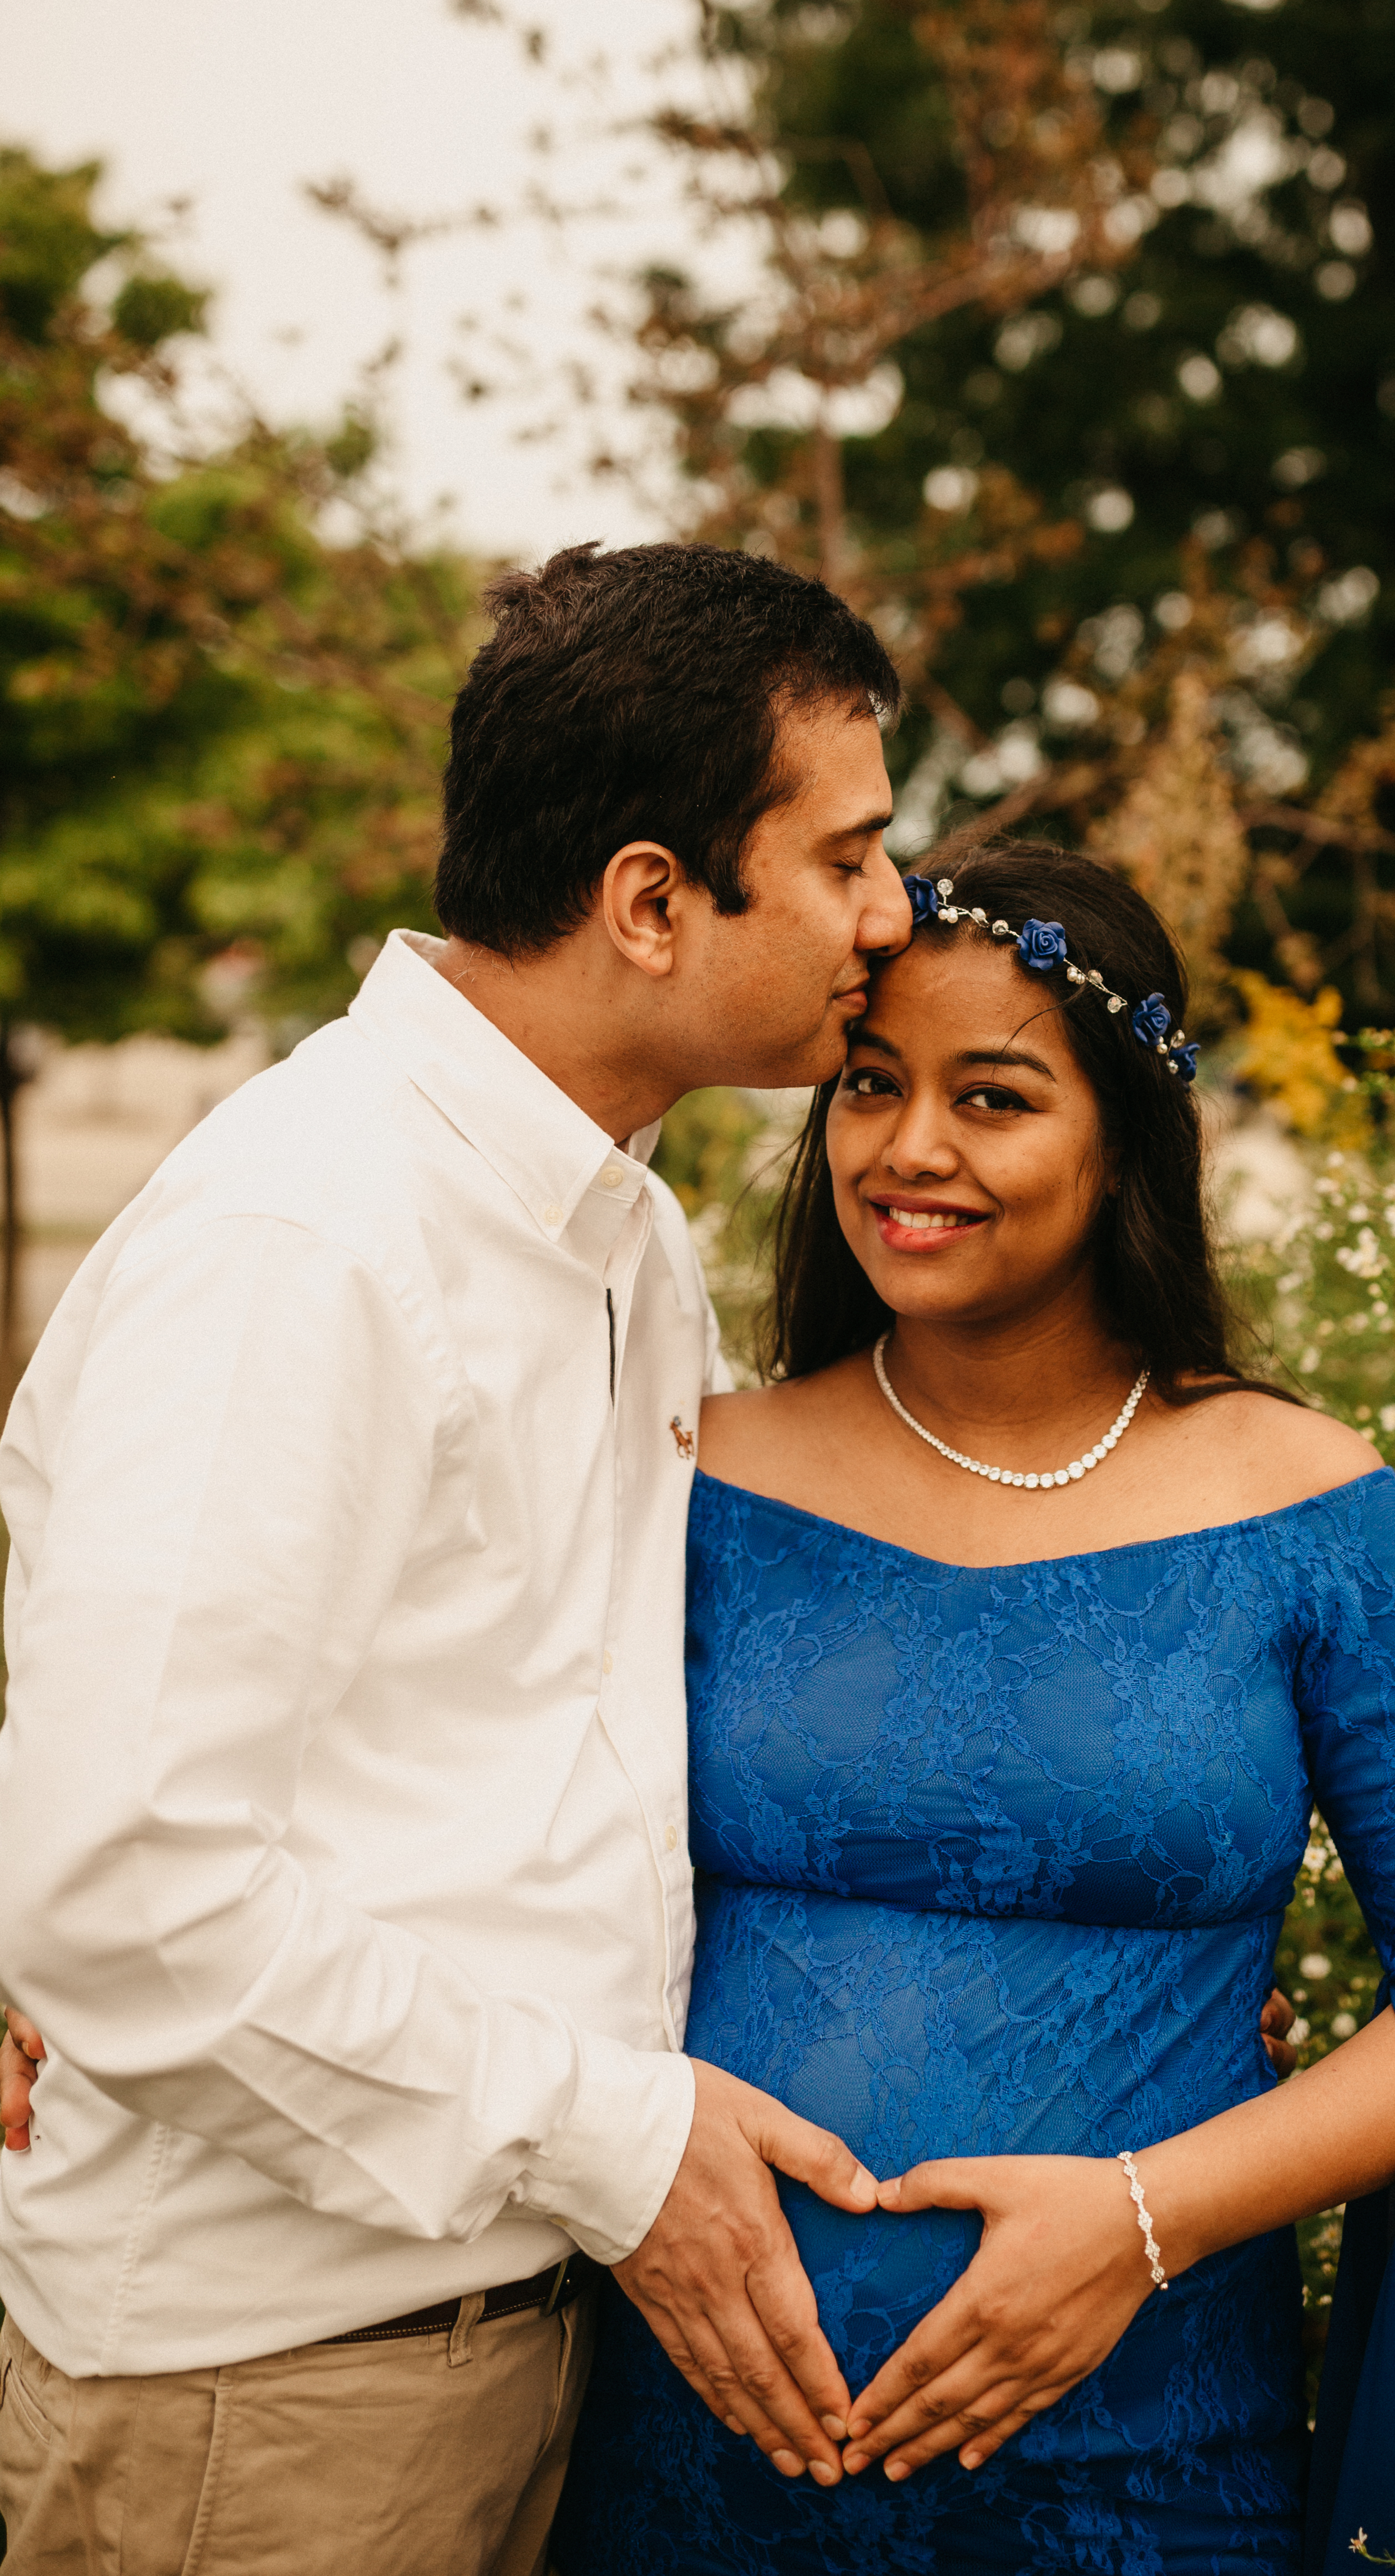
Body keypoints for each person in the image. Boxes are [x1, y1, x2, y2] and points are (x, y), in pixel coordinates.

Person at [0, 540, 918, 2575]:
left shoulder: (625, 1240)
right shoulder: (303, 1243)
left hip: (512, 2346)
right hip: (270, 2395)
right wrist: (623, 2139)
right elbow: (124, 1890)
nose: (893, 911)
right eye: (850, 854)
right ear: (657, 901)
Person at [554, 842, 1395, 2576]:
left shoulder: (1304, 1512)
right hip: (699, 2450)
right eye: (872, 1085)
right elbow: (444, 1783)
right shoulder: (695, 1474)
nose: (912, 1149)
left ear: (1126, 1141)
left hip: (1149, 2468)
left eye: (996, 1096)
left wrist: (1139, 2219)